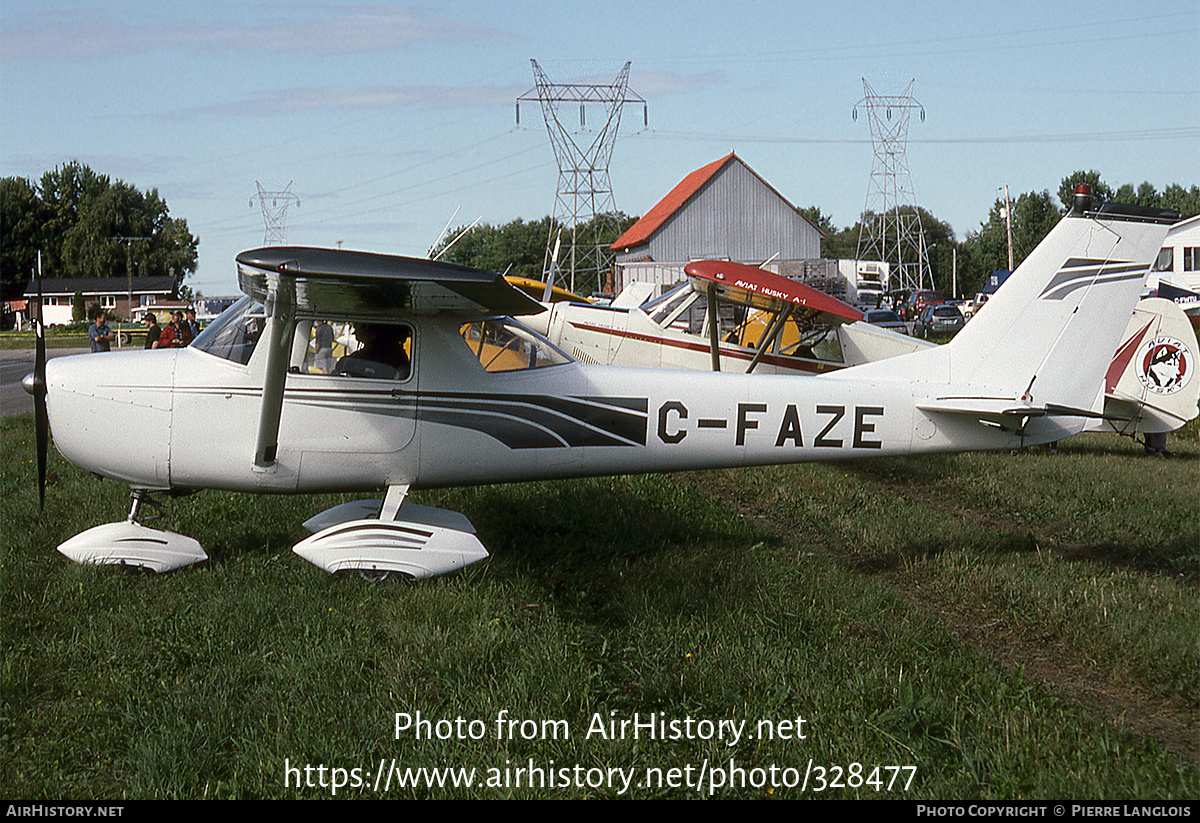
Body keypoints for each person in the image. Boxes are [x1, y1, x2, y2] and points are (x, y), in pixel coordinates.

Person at [336, 323, 411, 379]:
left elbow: (347, 365)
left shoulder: (381, 351)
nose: (355, 331)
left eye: (357, 325)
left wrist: (344, 362)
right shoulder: (397, 353)